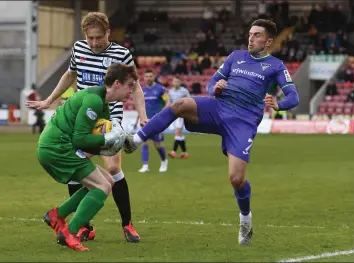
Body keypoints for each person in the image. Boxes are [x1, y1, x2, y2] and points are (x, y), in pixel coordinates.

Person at [124, 19, 299, 245]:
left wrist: (278, 104)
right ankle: (136, 140)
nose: (251, 38)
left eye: (257, 35)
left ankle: (245, 219)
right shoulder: (236, 56)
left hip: (242, 122)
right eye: (250, 34)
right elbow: (213, 81)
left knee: (236, 179)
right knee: (179, 105)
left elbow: (294, 96)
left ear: (268, 41)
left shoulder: (275, 66)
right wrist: (214, 88)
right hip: (218, 109)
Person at [26, 12, 147, 243]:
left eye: (99, 37)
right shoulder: (79, 49)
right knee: (77, 167)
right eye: (90, 38)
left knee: (112, 168)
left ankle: (127, 224)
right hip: (81, 118)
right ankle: (84, 227)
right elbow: (69, 75)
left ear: (108, 32)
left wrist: (143, 116)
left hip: (109, 117)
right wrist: (49, 99)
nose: (94, 43)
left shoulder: (121, 54)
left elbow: (136, 86)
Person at [37, 64, 137, 251]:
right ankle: (70, 233)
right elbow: (81, 139)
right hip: (57, 148)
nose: (131, 91)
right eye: (129, 85)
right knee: (103, 186)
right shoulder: (94, 100)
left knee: (108, 180)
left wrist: (122, 141)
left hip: (59, 147)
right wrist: (108, 138)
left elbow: (99, 143)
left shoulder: (102, 103)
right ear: (117, 83)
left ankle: (57, 215)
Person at [135, 69, 170, 173]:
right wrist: (138, 118)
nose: (148, 78)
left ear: (154, 76)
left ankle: (164, 161)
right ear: (144, 78)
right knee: (144, 143)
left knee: (157, 144)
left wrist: (162, 115)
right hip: (145, 121)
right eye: (146, 76)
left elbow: (167, 102)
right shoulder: (142, 90)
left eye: (150, 76)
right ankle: (145, 165)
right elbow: (140, 106)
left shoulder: (160, 89)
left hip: (157, 122)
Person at [167, 76, 191, 159]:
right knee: (179, 134)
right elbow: (169, 102)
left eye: (177, 81)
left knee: (177, 132)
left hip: (181, 114)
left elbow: (189, 100)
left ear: (180, 82)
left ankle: (173, 151)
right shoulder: (170, 91)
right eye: (174, 81)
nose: (176, 83)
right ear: (172, 82)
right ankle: (185, 153)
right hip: (173, 114)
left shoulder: (184, 91)